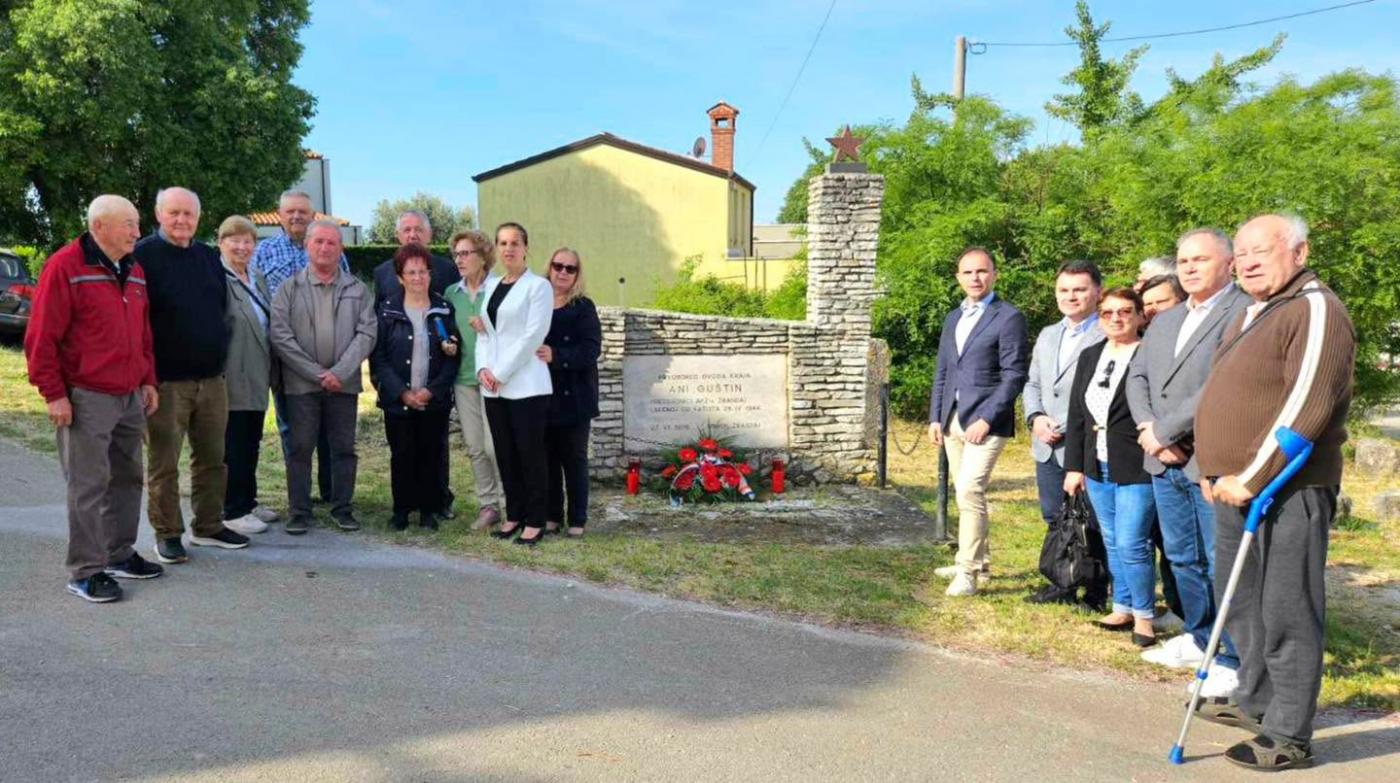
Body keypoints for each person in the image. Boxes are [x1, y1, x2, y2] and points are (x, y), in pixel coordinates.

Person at [1193, 214, 1355, 771]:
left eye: (1263, 250)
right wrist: (1211, 466)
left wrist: (1252, 477)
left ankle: (1289, 733)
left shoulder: (1314, 308)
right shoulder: (1251, 310)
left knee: (1287, 607)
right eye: (1241, 253)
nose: (1249, 261)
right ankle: (1257, 701)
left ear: (1300, 252)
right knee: (1242, 602)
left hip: (1287, 488)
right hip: (1233, 488)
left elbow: (1306, 408)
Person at [1126, 228, 1252, 693]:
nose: (1190, 268)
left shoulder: (1243, 313)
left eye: (1201, 259)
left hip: (1210, 458)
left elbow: (1220, 385)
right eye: (1183, 261)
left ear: (1229, 263)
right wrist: (1150, 432)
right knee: (1182, 557)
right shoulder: (1165, 319)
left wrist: (1166, 431)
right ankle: (1201, 638)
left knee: (1222, 559)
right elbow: (1137, 377)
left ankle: (1234, 654)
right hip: (1163, 459)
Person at [25, 195, 163, 602]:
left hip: (129, 394)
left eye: (137, 224)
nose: (137, 232)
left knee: (128, 478)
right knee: (88, 485)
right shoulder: (65, 267)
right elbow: (41, 338)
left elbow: (142, 334)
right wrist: (54, 394)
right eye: (129, 224)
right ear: (99, 226)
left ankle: (118, 553)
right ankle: (85, 570)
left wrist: (148, 379)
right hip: (86, 397)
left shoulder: (134, 270)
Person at [134, 187, 249, 563]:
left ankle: (209, 525)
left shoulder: (207, 257)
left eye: (189, 214)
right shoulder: (143, 257)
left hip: (212, 380)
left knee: (214, 459)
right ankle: (167, 533)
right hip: (166, 382)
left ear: (199, 218)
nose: (182, 220)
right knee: (164, 464)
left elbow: (218, 309)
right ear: (158, 214)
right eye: (174, 213)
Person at [926, 247, 1029, 597]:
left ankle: (966, 571)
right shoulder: (953, 318)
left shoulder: (1008, 317)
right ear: (958, 278)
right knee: (964, 492)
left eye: (982, 271)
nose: (975, 278)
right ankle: (980, 563)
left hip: (986, 422)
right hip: (953, 420)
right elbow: (943, 370)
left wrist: (987, 418)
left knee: (970, 490)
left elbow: (1014, 375)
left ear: (995, 274)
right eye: (968, 273)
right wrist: (936, 416)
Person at [269, 220, 377, 534]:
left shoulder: (356, 289)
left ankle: (343, 508)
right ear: (307, 246)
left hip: (343, 386)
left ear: (340, 248)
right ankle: (299, 512)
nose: (324, 248)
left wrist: (339, 373)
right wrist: (317, 374)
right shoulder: (289, 289)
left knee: (343, 448)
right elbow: (280, 336)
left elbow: (367, 332)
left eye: (331, 243)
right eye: (318, 242)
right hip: (301, 385)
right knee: (300, 448)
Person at [1063, 288, 1156, 646]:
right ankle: (1123, 605)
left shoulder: (1148, 354)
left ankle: (1145, 617)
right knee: (1113, 539)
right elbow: (1076, 415)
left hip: (1135, 462)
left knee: (1133, 541)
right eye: (1108, 313)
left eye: (1125, 312)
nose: (1116, 319)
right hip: (1095, 462)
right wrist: (1074, 466)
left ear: (1139, 316)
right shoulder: (1090, 356)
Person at [252, 189, 349, 509]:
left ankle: (331, 491)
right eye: (290, 211)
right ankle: (300, 496)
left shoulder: (329, 248)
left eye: (302, 212)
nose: (296, 217)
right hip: (286, 353)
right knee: (292, 425)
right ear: (279, 215)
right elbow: (255, 298)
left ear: (312, 216)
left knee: (327, 423)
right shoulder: (263, 252)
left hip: (327, 350)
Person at [1023, 260, 1106, 607]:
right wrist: (1036, 417)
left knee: (1093, 521)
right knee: (1054, 515)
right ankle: (1062, 583)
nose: (1071, 297)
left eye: (1079, 289)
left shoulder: (1107, 332)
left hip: (1086, 444)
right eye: (1064, 290)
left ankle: (1098, 589)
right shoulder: (1047, 334)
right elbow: (1033, 383)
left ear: (1097, 292)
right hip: (1046, 443)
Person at [371, 210, 459, 519]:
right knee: (403, 452)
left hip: (433, 383)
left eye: (418, 229)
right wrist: (390, 387)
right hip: (398, 384)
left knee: (434, 451)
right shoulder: (382, 277)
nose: (412, 234)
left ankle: (435, 503)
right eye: (406, 229)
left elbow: (453, 340)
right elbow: (378, 346)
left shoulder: (448, 273)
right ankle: (403, 507)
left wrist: (435, 388)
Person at [475, 222, 554, 546]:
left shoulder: (539, 287)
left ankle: (535, 520)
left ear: (526, 248)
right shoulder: (492, 286)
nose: (509, 249)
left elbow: (531, 337)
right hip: (493, 386)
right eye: (503, 243)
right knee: (505, 455)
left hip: (526, 386)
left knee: (530, 455)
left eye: (515, 243)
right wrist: (482, 369)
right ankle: (514, 515)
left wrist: (501, 373)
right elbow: (484, 332)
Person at [444, 229, 506, 530]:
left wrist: (489, 328)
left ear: (483, 257)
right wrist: (448, 343)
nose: (459, 259)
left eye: (466, 253)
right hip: (463, 379)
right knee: (475, 446)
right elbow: (445, 331)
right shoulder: (451, 294)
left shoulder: (499, 290)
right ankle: (489, 506)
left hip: (495, 379)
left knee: (497, 446)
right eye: (456, 254)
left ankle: (512, 504)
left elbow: (514, 334)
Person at [538, 248, 601, 538]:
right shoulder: (535, 303)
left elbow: (591, 350)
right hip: (540, 393)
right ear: (549, 267)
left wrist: (557, 355)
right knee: (547, 459)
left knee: (573, 460)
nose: (563, 272)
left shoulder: (583, 307)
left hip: (575, 394)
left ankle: (577, 518)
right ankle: (551, 515)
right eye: (558, 265)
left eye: (570, 268)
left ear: (577, 274)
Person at [219, 215, 276, 535]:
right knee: (234, 442)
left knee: (251, 438)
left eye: (247, 241)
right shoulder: (218, 277)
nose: (242, 246)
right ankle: (233, 508)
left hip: (257, 368)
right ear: (221, 243)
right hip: (233, 370)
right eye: (234, 240)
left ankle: (248, 499)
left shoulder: (255, 277)